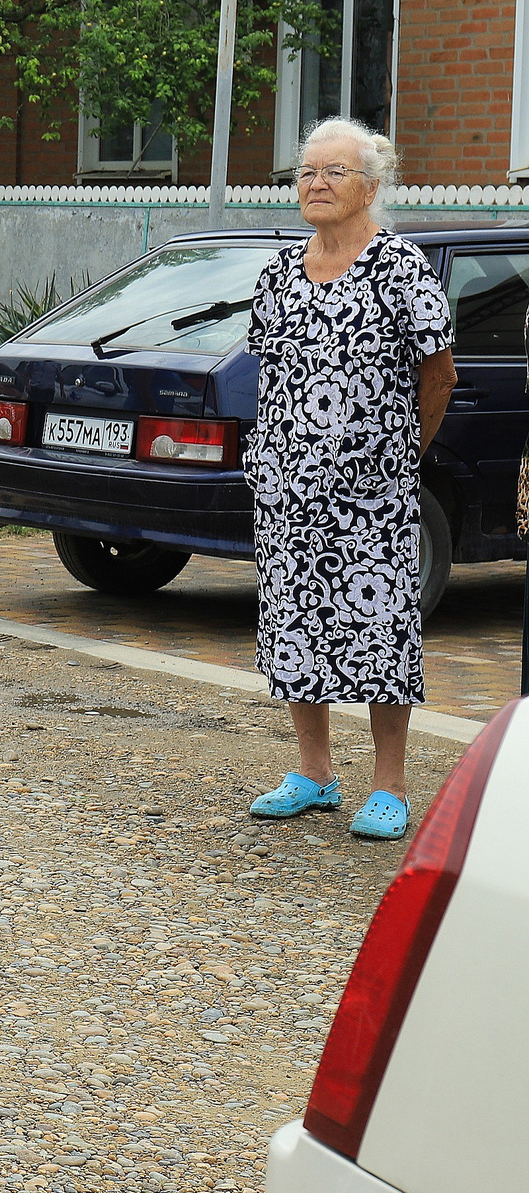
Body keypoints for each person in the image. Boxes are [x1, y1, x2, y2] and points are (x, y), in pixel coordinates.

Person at [245, 118, 455, 841]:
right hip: (287, 491)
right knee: (296, 625)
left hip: (374, 493)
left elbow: (439, 373)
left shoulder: (401, 266)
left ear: (371, 185)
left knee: (380, 631)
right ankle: (314, 773)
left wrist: (399, 454)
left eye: (333, 171)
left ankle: (389, 786)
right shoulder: (277, 274)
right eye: (306, 172)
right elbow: (268, 375)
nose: (316, 183)